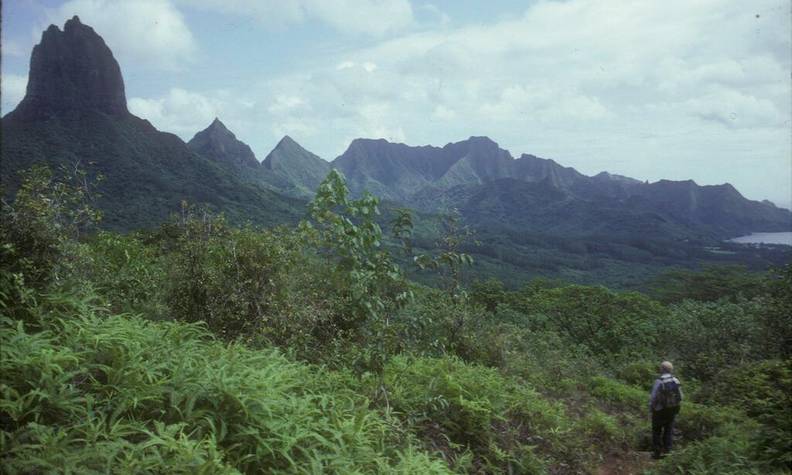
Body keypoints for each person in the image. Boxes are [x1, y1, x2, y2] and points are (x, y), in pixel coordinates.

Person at [649, 361, 682, 459]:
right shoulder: (676, 380)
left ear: (662, 369)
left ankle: (657, 453)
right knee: (668, 430)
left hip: (659, 410)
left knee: (656, 431)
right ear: (671, 370)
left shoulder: (659, 381)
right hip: (671, 410)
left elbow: (653, 397)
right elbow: (681, 397)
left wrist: (651, 408)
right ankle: (668, 452)